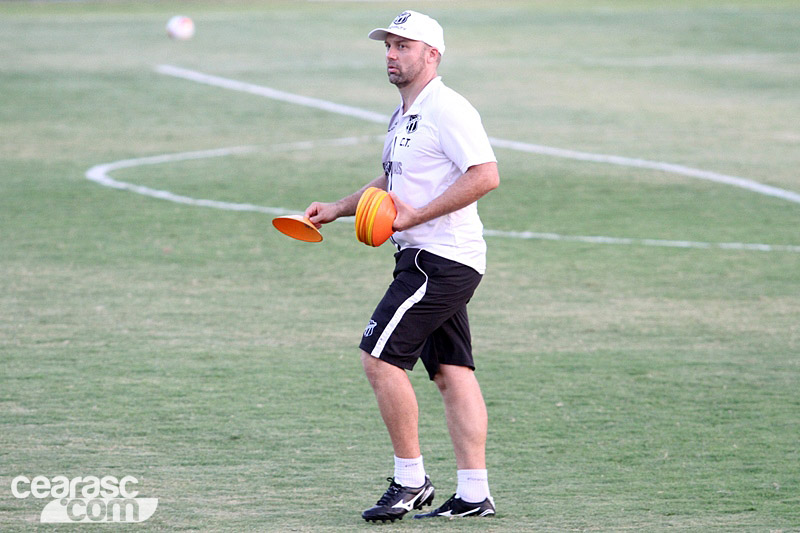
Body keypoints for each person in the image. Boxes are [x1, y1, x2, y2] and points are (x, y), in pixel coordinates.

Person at [304, 10, 499, 522]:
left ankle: (410, 480)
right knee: (452, 372)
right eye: (388, 46)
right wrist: (338, 208)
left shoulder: (448, 108)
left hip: (440, 259)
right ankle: (475, 493)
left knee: (379, 357)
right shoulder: (404, 114)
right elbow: (391, 184)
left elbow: (485, 175)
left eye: (403, 46)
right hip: (428, 257)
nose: (391, 54)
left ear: (431, 55)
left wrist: (418, 215)